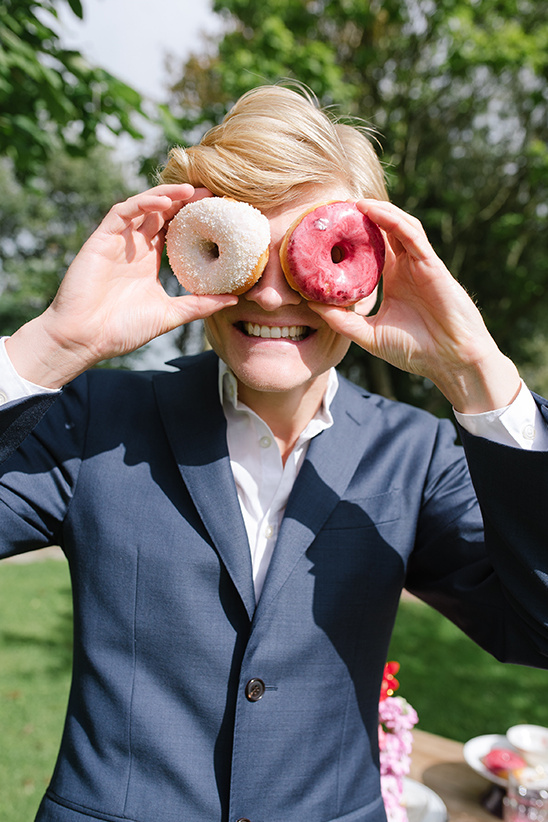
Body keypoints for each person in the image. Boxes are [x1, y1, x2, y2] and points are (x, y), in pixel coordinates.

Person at [1, 85, 547, 822]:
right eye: (241, 252)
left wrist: (478, 373)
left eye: (303, 256)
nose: (269, 296)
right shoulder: (95, 419)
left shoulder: (415, 454)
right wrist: (50, 346)